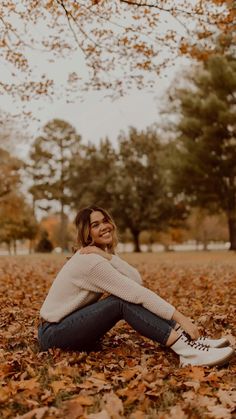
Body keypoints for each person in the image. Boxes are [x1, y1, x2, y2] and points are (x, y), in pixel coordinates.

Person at [38, 206, 234, 367]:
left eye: (105, 221)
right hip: (54, 334)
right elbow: (137, 292)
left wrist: (109, 256)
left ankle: (189, 342)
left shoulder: (98, 255)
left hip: (66, 327)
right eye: (95, 225)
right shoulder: (90, 261)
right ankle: (187, 352)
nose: (104, 227)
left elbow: (135, 279)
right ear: (86, 232)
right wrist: (181, 319)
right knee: (120, 302)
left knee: (124, 297)